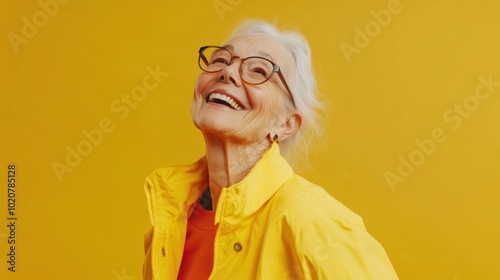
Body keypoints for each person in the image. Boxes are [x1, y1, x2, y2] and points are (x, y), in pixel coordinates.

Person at [143, 19, 399, 279]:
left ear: (286, 124)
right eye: (220, 60)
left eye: (258, 71)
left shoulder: (315, 221)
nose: (228, 72)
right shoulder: (171, 221)